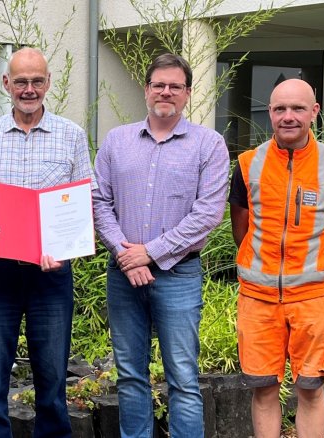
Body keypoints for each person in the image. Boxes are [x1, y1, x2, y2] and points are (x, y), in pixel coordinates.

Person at [92, 53, 229, 437]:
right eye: (158, 84)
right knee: (130, 375)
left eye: (174, 86)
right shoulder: (117, 140)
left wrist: (149, 252)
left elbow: (207, 214)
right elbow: (98, 201)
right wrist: (127, 253)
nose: (165, 92)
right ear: (147, 89)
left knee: (183, 378)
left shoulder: (209, 144)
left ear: (186, 93)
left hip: (178, 275)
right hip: (124, 275)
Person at [0, 47, 94, 438]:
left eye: (36, 81)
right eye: (21, 81)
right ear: (6, 84)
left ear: (48, 83)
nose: (29, 89)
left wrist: (66, 249)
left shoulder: (72, 135)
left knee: (53, 379)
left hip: (52, 273)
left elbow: (83, 201)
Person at [229, 78, 324, 438]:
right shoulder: (247, 164)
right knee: (264, 388)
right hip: (257, 299)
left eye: (298, 108)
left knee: (311, 389)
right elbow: (242, 229)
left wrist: (311, 267)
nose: (289, 116)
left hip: (314, 299)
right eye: (280, 109)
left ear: (314, 112)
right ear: (269, 113)